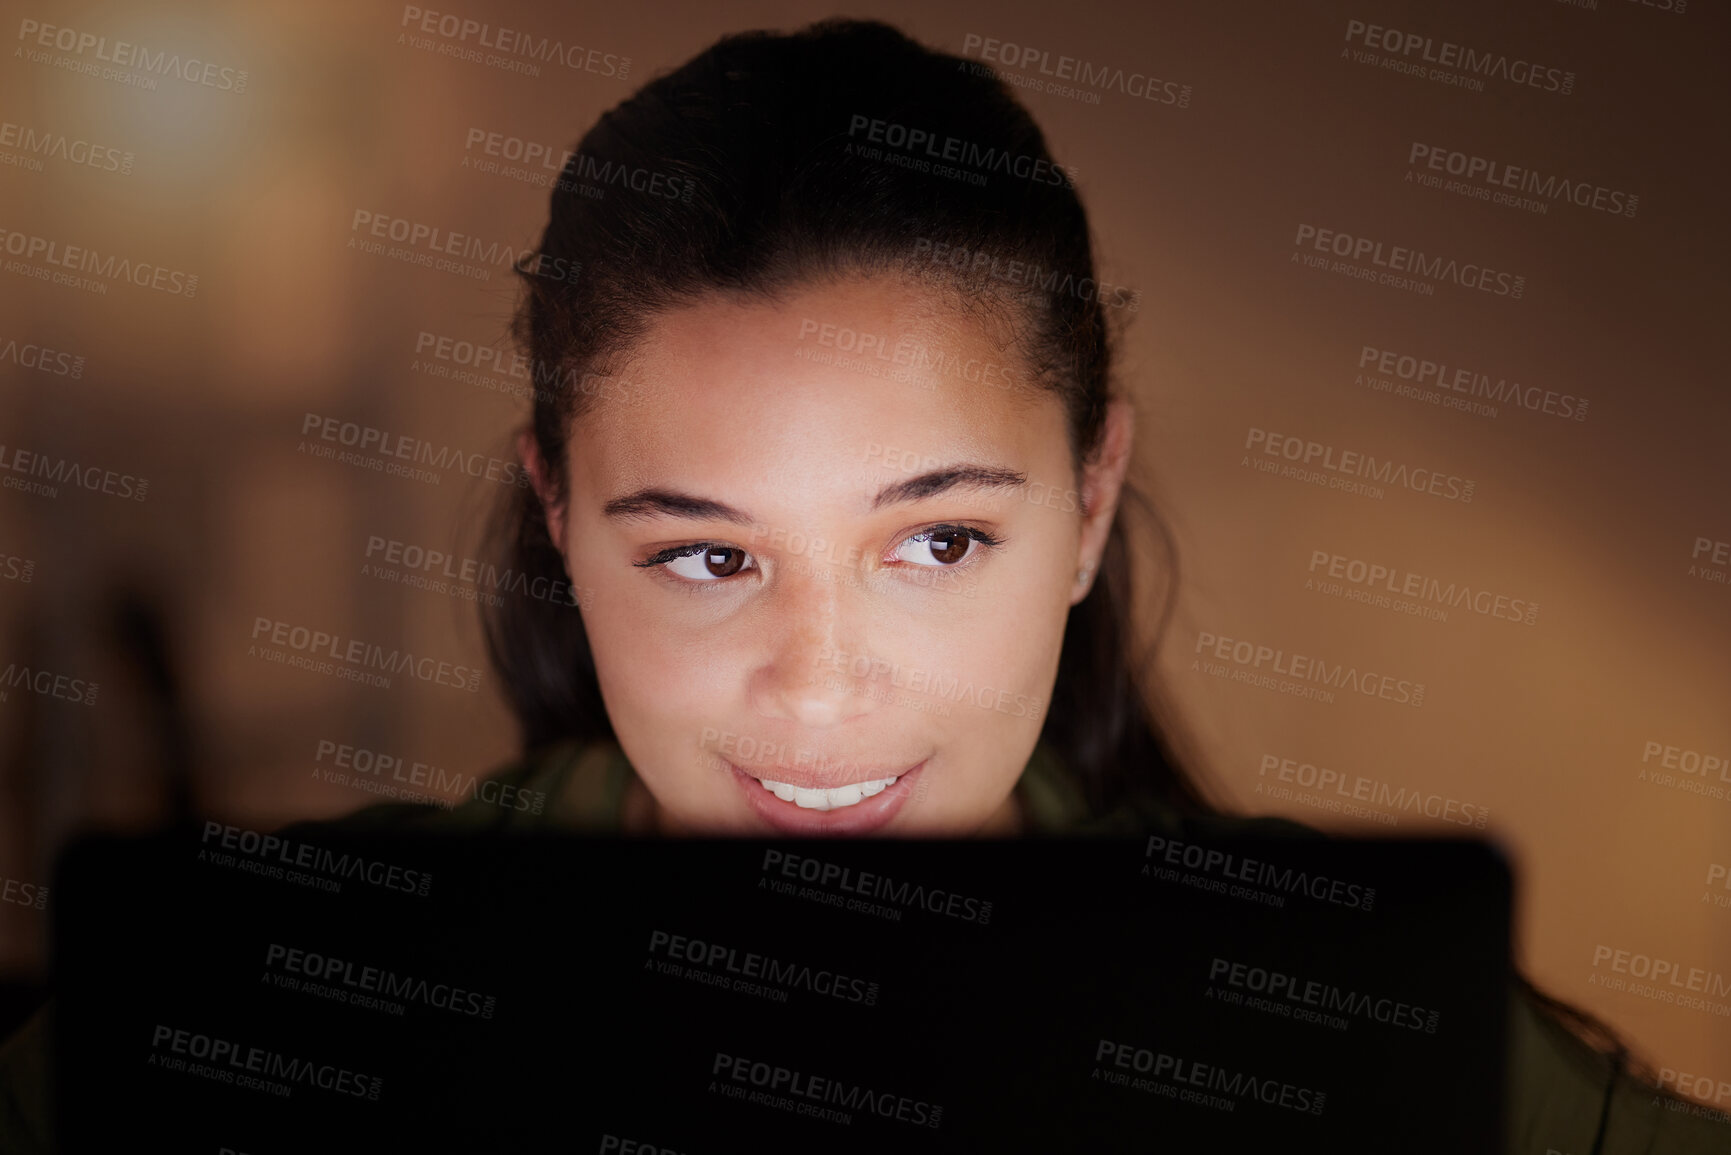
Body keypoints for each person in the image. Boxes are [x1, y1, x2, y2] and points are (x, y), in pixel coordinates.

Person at [0, 17, 1724, 1153]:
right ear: (560, 523)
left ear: (1089, 504)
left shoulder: (1339, 1024)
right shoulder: (281, 994)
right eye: (703, 554)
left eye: (939, 542)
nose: (820, 691)